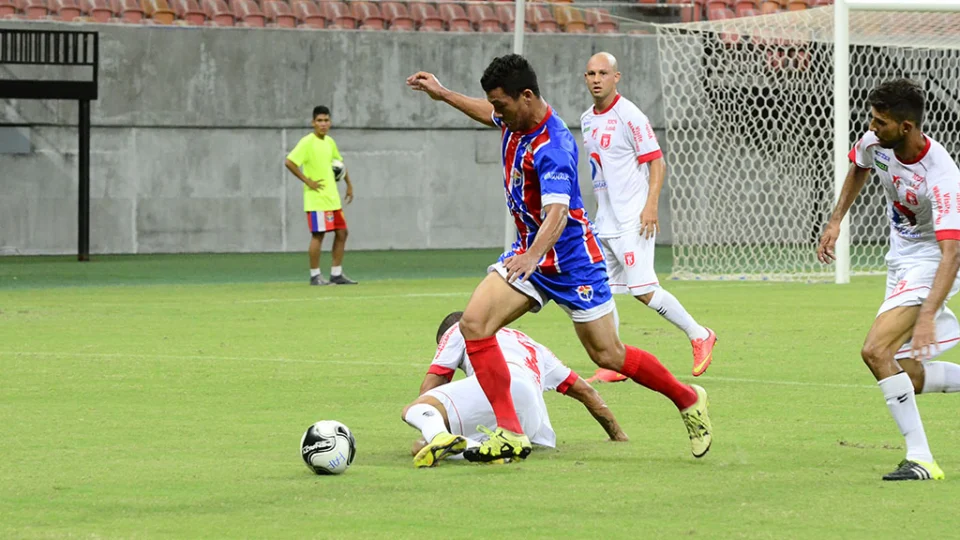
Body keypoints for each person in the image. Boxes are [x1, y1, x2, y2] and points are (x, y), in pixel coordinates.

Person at [406, 54, 712, 464]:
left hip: (571, 262)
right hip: (529, 254)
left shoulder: (554, 145)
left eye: (502, 105)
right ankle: (510, 431)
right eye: (495, 105)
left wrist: (534, 253)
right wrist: (443, 94)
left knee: (608, 355)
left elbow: (558, 213)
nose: (497, 113)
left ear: (526, 96)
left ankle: (688, 399)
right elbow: (486, 113)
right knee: (474, 324)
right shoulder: (514, 119)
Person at [818, 79, 960, 481]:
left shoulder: (943, 175)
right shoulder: (876, 142)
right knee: (904, 372)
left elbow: (953, 253)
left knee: (875, 351)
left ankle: (922, 460)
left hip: (935, 261)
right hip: (900, 260)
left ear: (907, 127)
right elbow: (859, 167)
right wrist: (834, 221)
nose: (872, 126)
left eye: (881, 121)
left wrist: (929, 313)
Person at [580, 52, 717, 383]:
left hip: (634, 219)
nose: (596, 79)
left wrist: (651, 205)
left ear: (617, 77)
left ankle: (699, 334)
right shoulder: (586, 119)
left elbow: (657, 162)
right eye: (590, 73)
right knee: (604, 292)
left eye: (602, 73)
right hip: (606, 222)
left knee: (643, 291)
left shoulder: (631, 116)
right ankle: (615, 364)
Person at [402, 312, 629, 468]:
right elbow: (587, 393)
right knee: (422, 447)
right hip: (531, 423)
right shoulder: (532, 345)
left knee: (417, 410)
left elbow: (431, 386)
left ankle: (441, 437)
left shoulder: (460, 329)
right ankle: (492, 454)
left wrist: (427, 421)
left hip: (500, 389)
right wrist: (617, 435)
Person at [284, 105, 357, 286]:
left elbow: (339, 164)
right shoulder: (307, 142)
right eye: (319, 121)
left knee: (342, 233)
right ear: (313, 123)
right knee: (319, 235)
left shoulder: (329, 142)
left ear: (330, 122)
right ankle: (315, 275)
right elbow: (290, 162)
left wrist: (349, 184)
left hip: (332, 198)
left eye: (326, 120)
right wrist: (307, 181)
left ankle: (336, 273)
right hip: (316, 199)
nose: (323, 124)